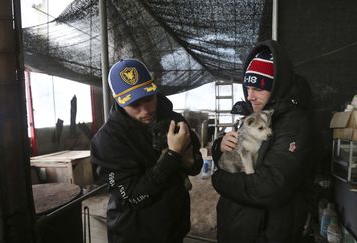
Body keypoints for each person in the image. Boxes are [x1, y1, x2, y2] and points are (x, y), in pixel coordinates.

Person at [212, 40, 319, 243]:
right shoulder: (254, 114)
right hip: (237, 226)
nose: (250, 96)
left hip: (266, 232)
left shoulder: (295, 125)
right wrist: (220, 146)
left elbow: (267, 187)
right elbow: (238, 150)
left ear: (277, 86)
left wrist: (218, 179)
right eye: (248, 87)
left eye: (259, 89)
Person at [90, 58, 203, 243]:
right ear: (118, 100)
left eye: (149, 98)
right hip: (134, 234)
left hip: (175, 227)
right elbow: (134, 198)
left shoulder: (174, 119)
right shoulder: (106, 141)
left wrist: (190, 160)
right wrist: (173, 156)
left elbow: (195, 166)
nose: (146, 110)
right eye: (135, 105)